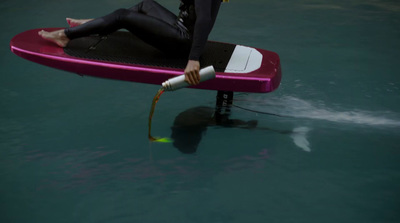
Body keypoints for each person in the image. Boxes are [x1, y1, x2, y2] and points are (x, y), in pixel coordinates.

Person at [38, 0, 229, 85]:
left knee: (123, 15)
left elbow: (204, 19)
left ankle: (66, 36)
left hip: (184, 42)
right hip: (181, 28)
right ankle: (99, 23)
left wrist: (193, 59)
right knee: (145, 4)